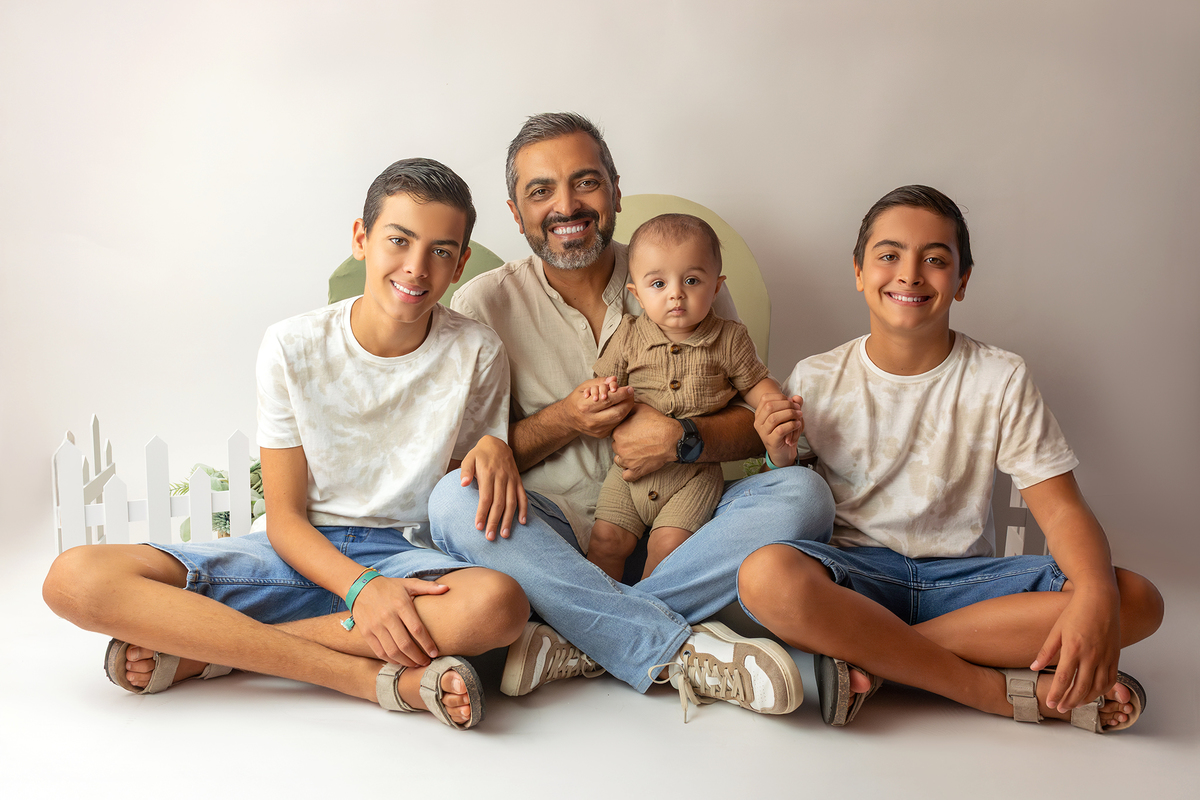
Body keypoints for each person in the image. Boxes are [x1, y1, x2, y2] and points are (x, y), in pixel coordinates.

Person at [42, 158, 531, 730]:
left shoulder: (478, 351)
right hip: (296, 550)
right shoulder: (292, 344)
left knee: (498, 606)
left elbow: (457, 497)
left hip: (405, 558)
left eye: (441, 250)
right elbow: (284, 520)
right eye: (399, 240)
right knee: (74, 578)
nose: (416, 267)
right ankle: (363, 679)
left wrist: (494, 448)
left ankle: (213, 652)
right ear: (361, 238)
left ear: (460, 263)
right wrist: (361, 588)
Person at [430, 112, 835, 720]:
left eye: (586, 182)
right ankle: (665, 639)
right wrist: (566, 419)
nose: (567, 205)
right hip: (552, 535)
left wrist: (682, 439)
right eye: (541, 191)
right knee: (451, 502)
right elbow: (466, 462)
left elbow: (749, 421)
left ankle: (580, 635)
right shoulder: (483, 303)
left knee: (806, 494)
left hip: (688, 525)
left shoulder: (680, 270)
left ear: (616, 191)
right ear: (516, 213)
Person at [737, 185, 1164, 732]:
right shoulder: (816, 377)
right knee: (765, 575)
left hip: (967, 588)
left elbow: (1060, 510)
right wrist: (777, 459)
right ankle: (993, 691)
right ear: (859, 271)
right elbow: (784, 505)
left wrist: (1097, 597)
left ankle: (877, 660)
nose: (910, 274)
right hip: (857, 582)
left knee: (1135, 598)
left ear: (961, 281)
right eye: (889, 255)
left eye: (935, 260)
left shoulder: (1000, 377)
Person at [582, 213, 795, 581]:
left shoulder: (729, 338)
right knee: (605, 542)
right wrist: (600, 391)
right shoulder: (628, 334)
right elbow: (604, 381)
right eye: (658, 283)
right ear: (636, 294)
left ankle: (649, 607)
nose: (676, 293)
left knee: (668, 549)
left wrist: (774, 403)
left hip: (693, 477)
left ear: (716, 288)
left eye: (692, 281)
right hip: (628, 474)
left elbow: (755, 383)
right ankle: (598, 610)